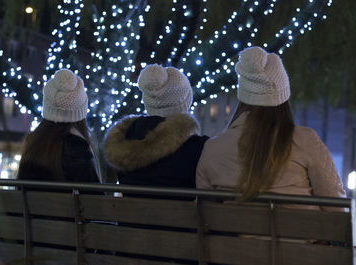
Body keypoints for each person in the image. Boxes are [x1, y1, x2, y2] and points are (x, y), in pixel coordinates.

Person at [196, 47, 346, 211]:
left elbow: (206, 210)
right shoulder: (306, 140)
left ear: (243, 97)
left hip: (232, 236)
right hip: (298, 236)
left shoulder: (212, 148)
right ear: (283, 98)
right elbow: (336, 206)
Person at [103, 64, 209, 189]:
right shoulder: (198, 147)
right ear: (185, 101)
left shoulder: (124, 139)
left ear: (147, 102)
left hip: (128, 209)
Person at [17, 69, 100, 183]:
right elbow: (95, 197)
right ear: (80, 113)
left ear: (47, 107)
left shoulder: (32, 143)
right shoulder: (78, 148)